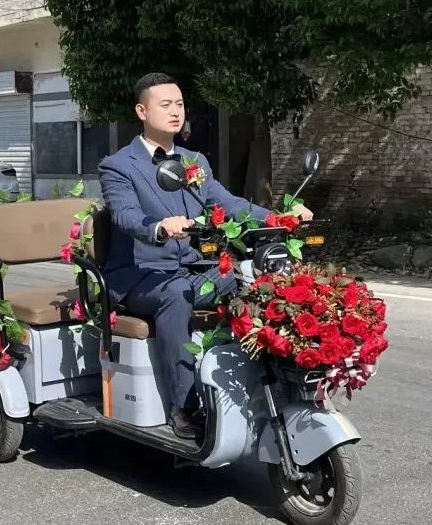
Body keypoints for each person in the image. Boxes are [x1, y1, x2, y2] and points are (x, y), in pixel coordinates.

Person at [99, 72, 314, 440]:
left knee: (256, 274)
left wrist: (279, 217)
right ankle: (184, 407)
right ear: (141, 111)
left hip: (193, 269)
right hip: (141, 276)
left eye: (179, 104)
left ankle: (277, 384)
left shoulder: (193, 161)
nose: (175, 111)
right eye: (165, 105)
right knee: (176, 294)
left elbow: (227, 204)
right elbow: (125, 215)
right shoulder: (119, 165)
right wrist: (159, 226)